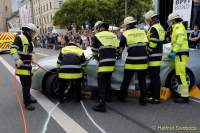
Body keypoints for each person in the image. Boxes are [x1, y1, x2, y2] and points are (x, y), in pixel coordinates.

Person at [118, 16, 148, 106]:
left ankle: (122, 97)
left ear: (127, 25)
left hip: (131, 61)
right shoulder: (142, 32)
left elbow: (120, 48)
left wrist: (117, 54)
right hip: (143, 61)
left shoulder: (125, 34)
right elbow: (146, 44)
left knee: (126, 80)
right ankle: (143, 100)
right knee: (142, 81)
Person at [91, 22, 119, 112]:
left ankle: (101, 105)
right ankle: (108, 98)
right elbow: (118, 49)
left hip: (103, 62)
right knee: (107, 80)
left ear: (99, 28)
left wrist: (98, 59)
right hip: (112, 62)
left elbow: (94, 51)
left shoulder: (97, 35)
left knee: (101, 83)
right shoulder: (113, 35)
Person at [10, 23, 38, 111]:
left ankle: (28, 98)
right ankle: (27, 103)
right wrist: (17, 59)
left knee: (28, 84)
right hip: (22, 67)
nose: (34, 34)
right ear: (29, 31)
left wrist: (33, 59)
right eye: (33, 32)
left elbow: (31, 52)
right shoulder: (20, 38)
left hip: (28, 67)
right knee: (25, 86)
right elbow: (13, 49)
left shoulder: (30, 41)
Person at [167, 13, 190, 103]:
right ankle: (181, 93)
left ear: (173, 20)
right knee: (179, 75)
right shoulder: (177, 27)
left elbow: (179, 40)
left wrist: (174, 51)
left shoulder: (178, 27)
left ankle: (185, 96)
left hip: (180, 53)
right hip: (179, 54)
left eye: (170, 21)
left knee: (181, 75)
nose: (169, 23)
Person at [144, 10, 165, 104]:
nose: (147, 22)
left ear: (151, 19)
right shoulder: (160, 27)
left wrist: (147, 53)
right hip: (158, 55)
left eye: (148, 20)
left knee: (155, 78)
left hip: (153, 56)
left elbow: (152, 43)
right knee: (155, 78)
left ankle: (156, 98)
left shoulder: (153, 28)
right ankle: (153, 96)